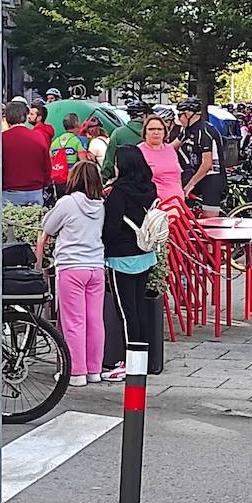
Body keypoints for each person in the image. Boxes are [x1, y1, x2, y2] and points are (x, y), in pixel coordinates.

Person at [37, 160, 107, 387]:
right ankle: (94, 369)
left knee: (73, 321)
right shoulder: (101, 205)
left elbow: (47, 226)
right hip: (96, 266)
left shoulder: (67, 202)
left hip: (71, 266)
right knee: (95, 320)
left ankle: (76, 372)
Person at [101, 144, 160, 382]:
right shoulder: (150, 188)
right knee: (139, 307)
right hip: (145, 254)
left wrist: (102, 245)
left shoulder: (118, 192)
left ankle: (131, 362)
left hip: (121, 257)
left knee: (126, 312)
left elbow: (112, 227)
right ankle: (141, 359)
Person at [176, 99, 224, 216]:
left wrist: (190, 185)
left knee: (210, 219)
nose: (178, 118)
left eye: (179, 115)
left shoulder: (204, 131)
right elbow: (172, 147)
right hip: (197, 174)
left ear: (188, 114)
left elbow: (207, 164)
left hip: (211, 176)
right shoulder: (187, 130)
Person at [1, 100, 51, 205]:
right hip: (35, 191)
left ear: (6, 118)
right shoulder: (38, 137)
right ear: (25, 115)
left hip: (9, 192)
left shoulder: (1, 139)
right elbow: (47, 166)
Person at [101, 101, 148, 183]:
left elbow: (109, 163)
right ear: (145, 115)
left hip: (125, 181)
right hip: (150, 182)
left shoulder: (118, 133)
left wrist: (102, 180)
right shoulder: (155, 133)